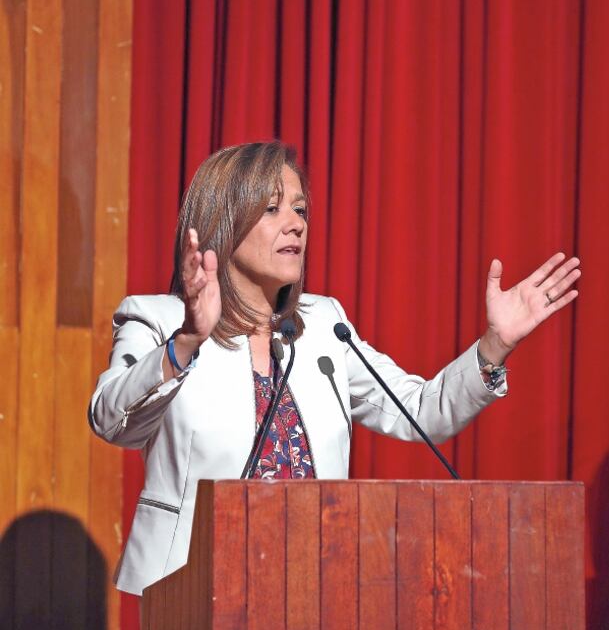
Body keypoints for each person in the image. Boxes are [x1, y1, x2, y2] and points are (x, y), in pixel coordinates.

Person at [88, 141, 581, 596]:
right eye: (273, 207)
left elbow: (423, 410)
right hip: (194, 589)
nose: (296, 223)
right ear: (224, 219)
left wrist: (493, 345)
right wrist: (187, 342)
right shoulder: (159, 320)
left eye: (300, 209)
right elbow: (111, 419)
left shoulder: (324, 324)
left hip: (316, 585)